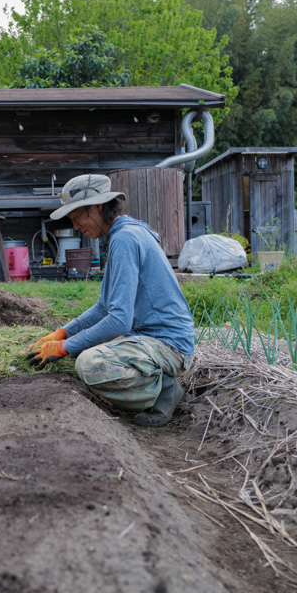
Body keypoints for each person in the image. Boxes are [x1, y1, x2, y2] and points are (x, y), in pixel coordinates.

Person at [27, 173, 195, 427]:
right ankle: (154, 382)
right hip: (149, 337)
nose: (75, 226)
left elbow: (118, 321)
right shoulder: (122, 234)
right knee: (84, 344)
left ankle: (163, 391)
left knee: (89, 362)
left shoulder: (125, 239)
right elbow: (105, 307)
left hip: (168, 344)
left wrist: (64, 348)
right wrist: (63, 333)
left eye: (76, 217)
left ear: (96, 206)